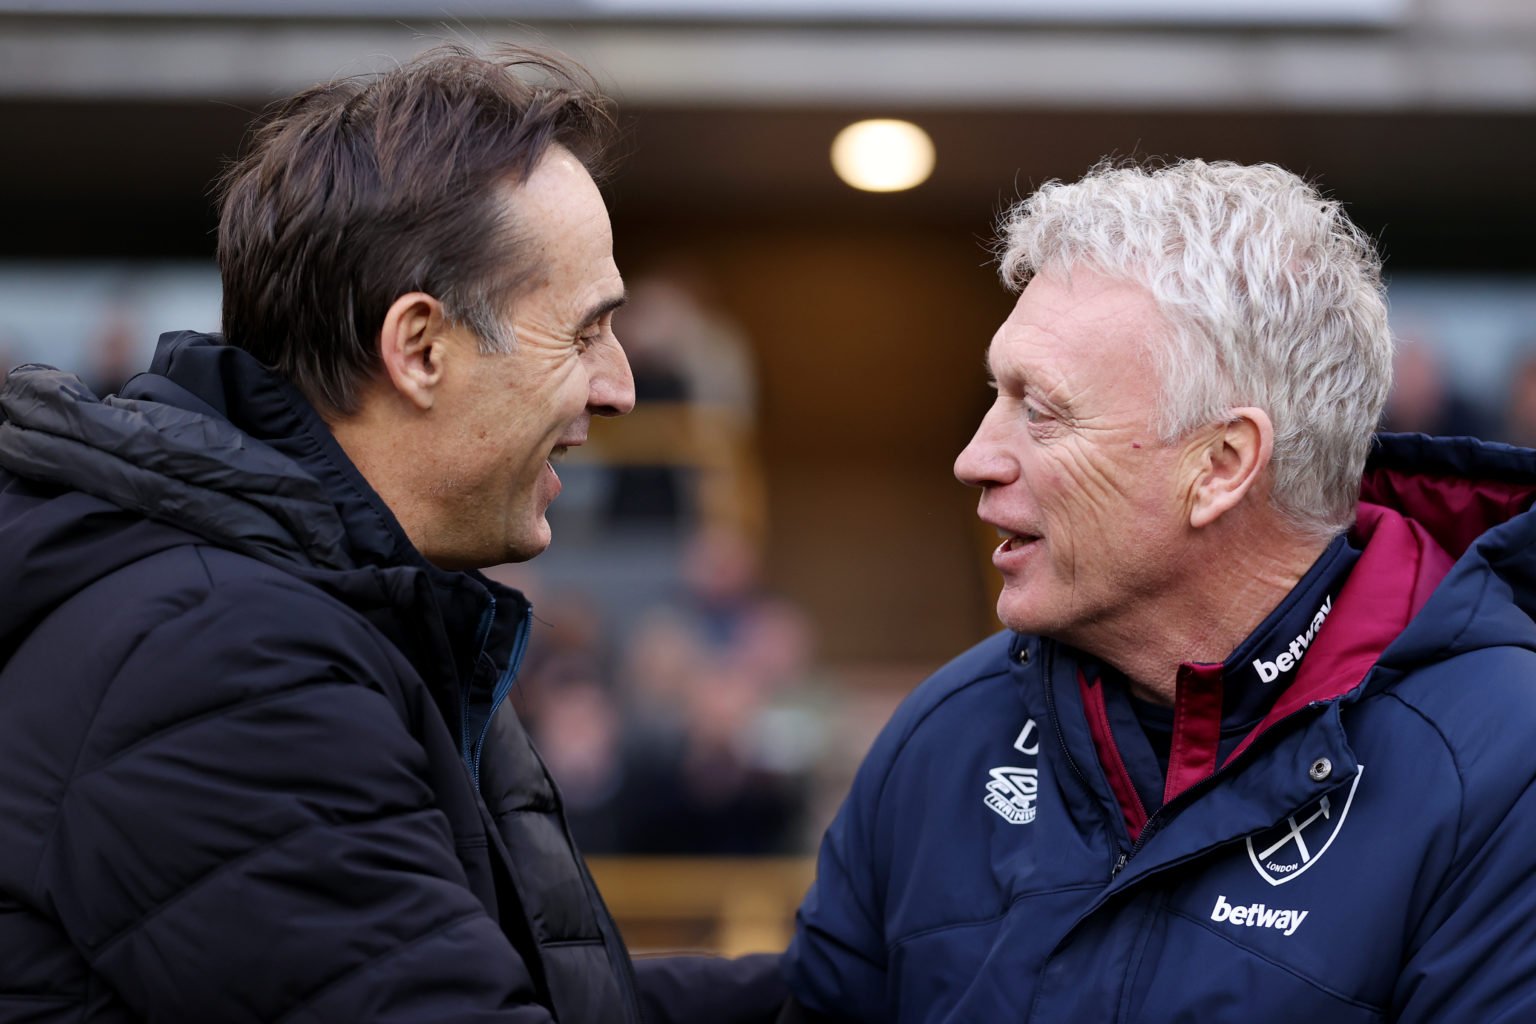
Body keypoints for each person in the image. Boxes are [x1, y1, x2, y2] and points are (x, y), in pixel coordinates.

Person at [0, 45, 781, 1023]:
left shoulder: (321, 610)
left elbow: (542, 987)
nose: (620, 387)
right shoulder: (219, 663)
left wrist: (862, 982)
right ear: (419, 348)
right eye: (585, 332)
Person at [781, 159, 1536, 1022]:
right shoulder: (944, 736)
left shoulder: (1501, 766)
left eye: (1042, 411)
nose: (975, 459)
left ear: (1220, 466)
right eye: (997, 395)